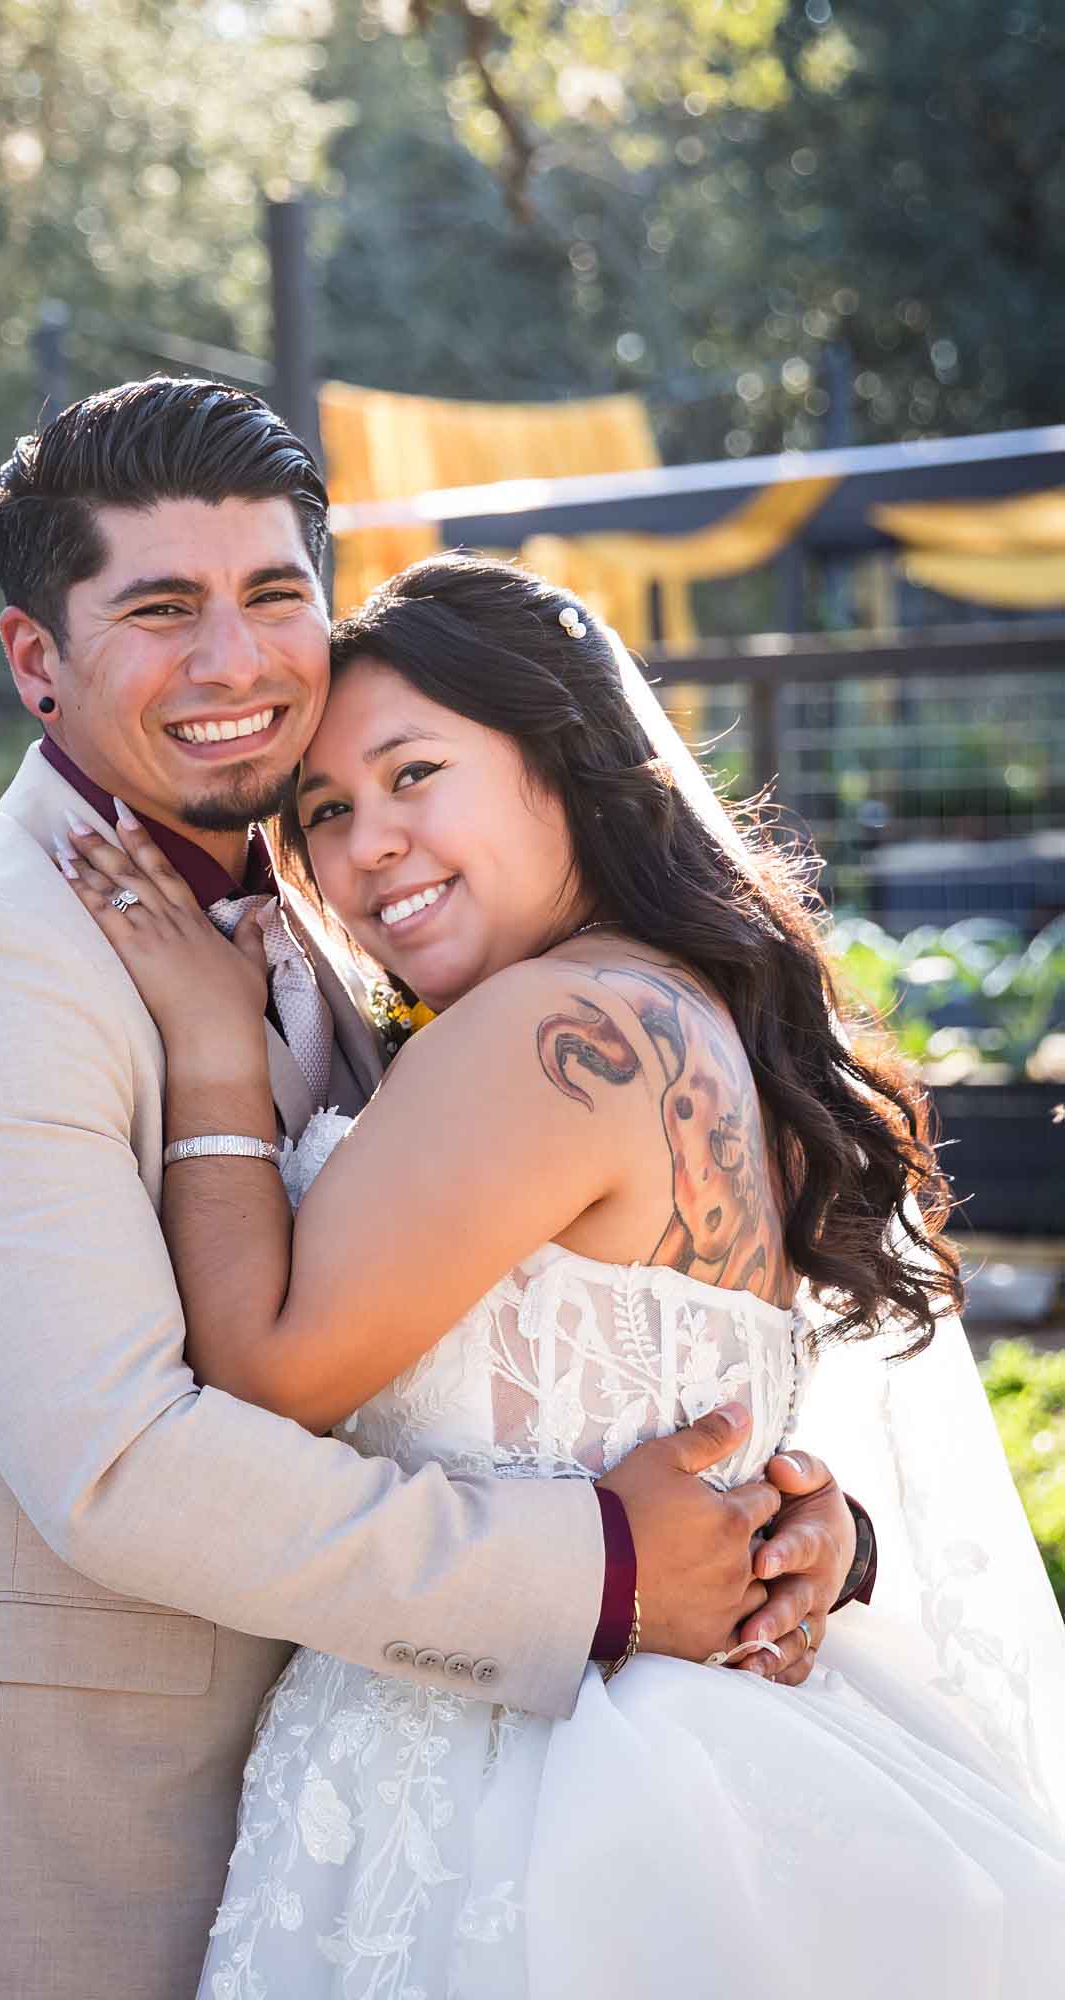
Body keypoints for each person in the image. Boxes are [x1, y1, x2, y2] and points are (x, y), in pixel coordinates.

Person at [0, 382, 866, 2000]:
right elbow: (120, 1468)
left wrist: (790, 1527)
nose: (233, 664)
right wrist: (617, 1569)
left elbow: (530, 1314)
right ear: (39, 663)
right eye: (160, 611)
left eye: (272, 596)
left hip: (390, 1817)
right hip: (67, 1830)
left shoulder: (334, 930)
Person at [61, 551, 1065, 1997]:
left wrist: (212, 1049)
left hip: (518, 1764)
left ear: (569, 768)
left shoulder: (549, 1029)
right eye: (326, 811)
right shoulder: (700, 1012)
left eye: (415, 774)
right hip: (706, 1728)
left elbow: (270, 1372)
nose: (366, 846)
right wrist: (817, 1527)